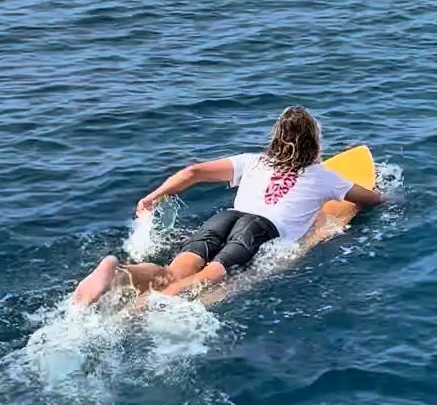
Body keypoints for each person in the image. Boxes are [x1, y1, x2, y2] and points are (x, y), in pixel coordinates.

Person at [73, 106, 384, 306]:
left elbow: (191, 173)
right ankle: (137, 315)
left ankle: (118, 273)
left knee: (172, 272)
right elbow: (370, 199)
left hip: (226, 218)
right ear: (315, 143)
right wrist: (386, 194)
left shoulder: (252, 161)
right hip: (259, 231)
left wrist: (152, 197)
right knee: (201, 282)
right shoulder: (324, 176)